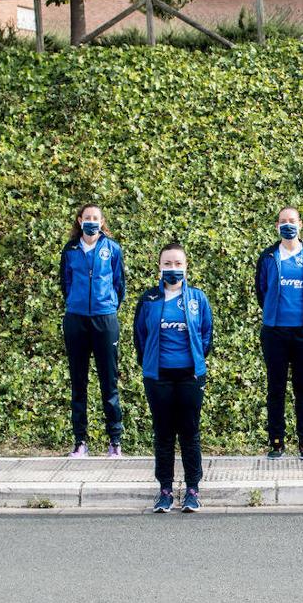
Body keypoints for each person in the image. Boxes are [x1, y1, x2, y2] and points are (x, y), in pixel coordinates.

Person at [133, 242, 214, 514]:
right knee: (164, 434)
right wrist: (152, 363)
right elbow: (140, 337)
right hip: (159, 377)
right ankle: (165, 491)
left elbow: (206, 335)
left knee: (190, 433)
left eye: (178, 264)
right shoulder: (148, 300)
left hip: (190, 376)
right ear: (159, 266)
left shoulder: (198, 299)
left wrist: (194, 361)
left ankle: (192, 490)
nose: (173, 268)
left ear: (186, 267)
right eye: (167, 263)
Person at [254, 206, 303, 459]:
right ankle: (276, 443)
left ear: (300, 224)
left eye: (292, 220)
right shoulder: (268, 257)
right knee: (275, 388)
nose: (288, 225)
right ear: (277, 226)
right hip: (274, 332)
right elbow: (261, 291)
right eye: (283, 221)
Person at [59, 204, 126, 458]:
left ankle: (115, 442)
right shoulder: (70, 250)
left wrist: (106, 305)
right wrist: (76, 302)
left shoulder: (112, 249)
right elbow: (65, 282)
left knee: (109, 383)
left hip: (104, 320)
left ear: (102, 221)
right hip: (76, 320)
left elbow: (119, 284)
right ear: (79, 220)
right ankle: (80, 442)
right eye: (87, 218)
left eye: (95, 218)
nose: (91, 222)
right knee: (79, 382)